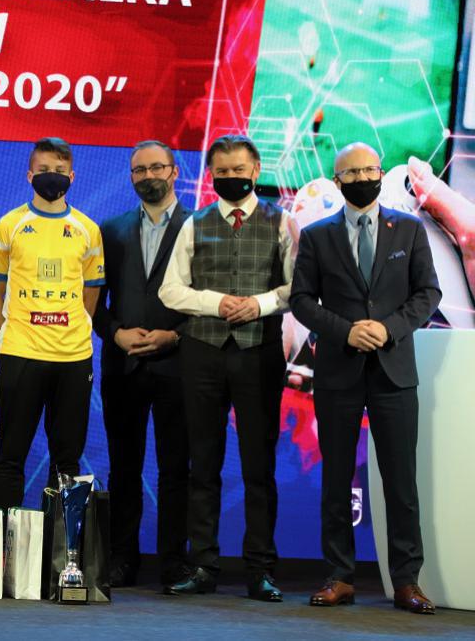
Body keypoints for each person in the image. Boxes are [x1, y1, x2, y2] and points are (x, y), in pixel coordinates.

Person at [289, 143, 441, 614]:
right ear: (337, 182)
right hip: (338, 371)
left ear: (379, 172)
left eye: (369, 170)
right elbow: (302, 301)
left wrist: (389, 328)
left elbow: (428, 293)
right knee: (336, 479)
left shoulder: (410, 230)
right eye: (351, 173)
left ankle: (406, 581)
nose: (362, 178)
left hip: (394, 372)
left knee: (401, 482)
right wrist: (346, 331)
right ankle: (339, 577)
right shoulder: (316, 236)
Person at [159, 134, 294, 601]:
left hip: (259, 352)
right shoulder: (194, 223)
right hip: (203, 351)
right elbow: (170, 291)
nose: (231, 177)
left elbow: (296, 287)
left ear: (256, 171)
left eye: (239, 170)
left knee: (259, 464)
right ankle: (203, 566)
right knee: (203, 463)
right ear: (211, 175)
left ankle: (261, 569)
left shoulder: (283, 221)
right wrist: (217, 303)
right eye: (222, 172)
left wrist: (258, 304)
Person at [0, 137, 104, 511]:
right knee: (10, 456)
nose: (52, 176)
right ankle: (3, 541)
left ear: (72, 176)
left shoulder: (87, 229)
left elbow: (91, 293)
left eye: (59, 170)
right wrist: (11, 331)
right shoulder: (9, 225)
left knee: (67, 462)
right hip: (20, 353)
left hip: (73, 358)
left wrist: (75, 328)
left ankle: (60, 545)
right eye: (44, 170)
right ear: (29, 175)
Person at [92, 140, 190, 589]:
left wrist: (176, 336)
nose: (148, 176)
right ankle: (121, 559)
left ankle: (174, 563)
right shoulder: (109, 231)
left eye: (156, 167)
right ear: (131, 177)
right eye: (139, 170)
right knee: (123, 468)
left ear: (174, 171)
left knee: (176, 469)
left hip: (180, 364)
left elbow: (210, 300)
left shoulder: (199, 227)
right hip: (123, 364)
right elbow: (93, 300)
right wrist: (114, 333)